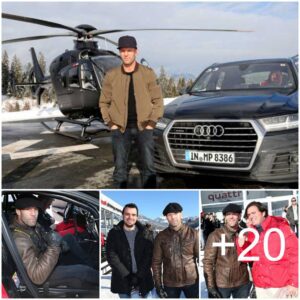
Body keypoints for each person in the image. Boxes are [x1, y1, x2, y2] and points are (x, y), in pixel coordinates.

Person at [99, 35, 164, 189]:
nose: (126, 54)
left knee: (149, 169)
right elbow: (103, 102)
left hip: (144, 127)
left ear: (136, 52)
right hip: (120, 129)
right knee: (120, 170)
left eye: (129, 50)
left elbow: (158, 100)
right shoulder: (112, 75)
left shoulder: (147, 73)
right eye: (122, 51)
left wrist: (152, 123)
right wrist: (110, 123)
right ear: (120, 53)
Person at [11, 197, 99, 289]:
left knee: (68, 238)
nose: (33, 214)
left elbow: (42, 234)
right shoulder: (20, 239)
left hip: (44, 257)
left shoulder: (29, 224)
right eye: (28, 209)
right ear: (18, 211)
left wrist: (54, 239)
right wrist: (54, 246)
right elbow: (36, 277)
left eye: (35, 209)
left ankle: (92, 266)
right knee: (84, 271)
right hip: (41, 275)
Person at [237, 201, 298, 298]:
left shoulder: (281, 227)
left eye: (254, 213)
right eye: (248, 215)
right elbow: (247, 259)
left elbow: (295, 255)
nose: (251, 216)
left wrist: (295, 282)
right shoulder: (252, 233)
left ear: (263, 213)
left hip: (282, 286)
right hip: (261, 286)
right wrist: (242, 245)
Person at [203, 204, 251, 298]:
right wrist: (211, 286)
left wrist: (254, 281)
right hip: (222, 284)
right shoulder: (215, 235)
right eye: (228, 214)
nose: (231, 217)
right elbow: (208, 262)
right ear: (225, 217)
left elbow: (252, 259)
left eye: (235, 214)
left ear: (240, 216)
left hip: (242, 282)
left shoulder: (246, 233)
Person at [106, 203, 154, 298]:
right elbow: (112, 256)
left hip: (143, 279)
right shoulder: (114, 233)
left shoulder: (146, 233)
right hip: (123, 279)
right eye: (127, 214)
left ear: (137, 216)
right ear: (122, 215)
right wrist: (127, 275)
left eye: (133, 214)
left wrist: (139, 276)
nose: (130, 217)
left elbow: (148, 256)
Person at [152, 203, 199, 298]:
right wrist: (158, 286)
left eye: (175, 213)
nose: (173, 217)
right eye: (169, 215)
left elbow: (201, 258)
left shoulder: (194, 234)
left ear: (181, 214)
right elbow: (156, 262)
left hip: (191, 282)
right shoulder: (160, 237)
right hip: (170, 283)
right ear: (166, 217)